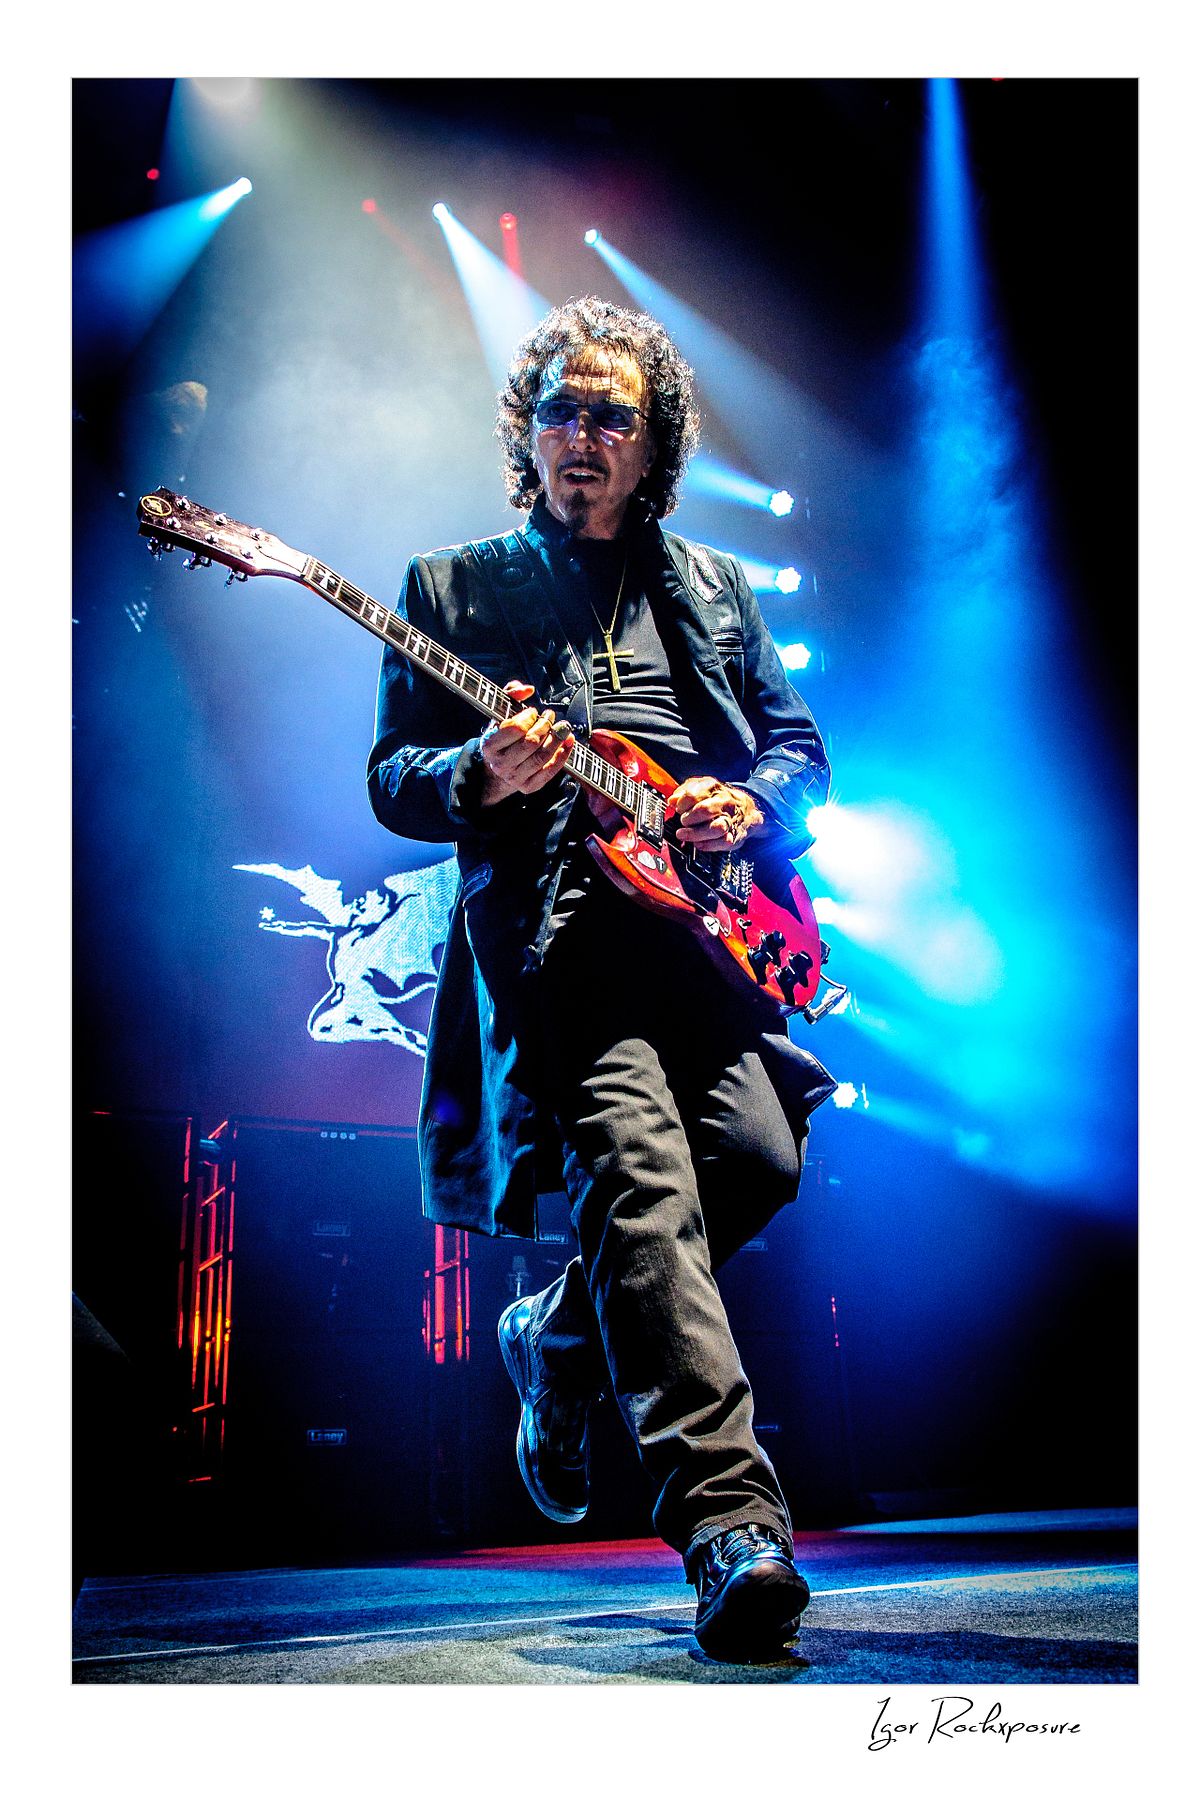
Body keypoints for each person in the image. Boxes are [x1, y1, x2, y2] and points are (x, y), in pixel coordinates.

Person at [368, 297, 836, 1661]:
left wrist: (747, 806)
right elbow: (396, 778)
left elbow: (801, 749)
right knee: (642, 1195)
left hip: (709, 939)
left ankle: (558, 1338)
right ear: (528, 431)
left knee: (756, 1161)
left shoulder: (714, 588)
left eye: (610, 415)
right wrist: (478, 773)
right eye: (559, 410)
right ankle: (734, 1530)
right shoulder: (455, 588)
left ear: (653, 445)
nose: (581, 435)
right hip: (563, 945)